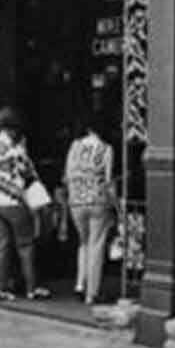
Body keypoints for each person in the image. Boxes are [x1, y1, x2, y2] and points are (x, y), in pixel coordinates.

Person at [0, 106, 47, 302]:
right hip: (15, 203)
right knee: (25, 246)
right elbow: (28, 175)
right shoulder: (16, 150)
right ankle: (31, 288)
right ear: (13, 128)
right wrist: (37, 200)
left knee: (1, 246)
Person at [62, 114, 116, 306]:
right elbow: (108, 181)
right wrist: (116, 204)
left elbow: (67, 176)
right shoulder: (106, 149)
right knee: (97, 245)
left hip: (76, 200)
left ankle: (79, 284)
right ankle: (92, 292)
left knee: (83, 244)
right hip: (97, 200)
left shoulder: (75, 147)